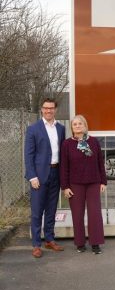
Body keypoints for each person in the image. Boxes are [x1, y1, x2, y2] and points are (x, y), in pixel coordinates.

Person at [24, 98, 66, 258]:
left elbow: (63, 152)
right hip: (39, 176)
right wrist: (32, 176)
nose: (48, 111)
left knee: (51, 209)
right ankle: (36, 244)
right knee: (37, 211)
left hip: (56, 173)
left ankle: (49, 239)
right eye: (46, 108)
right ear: (42, 109)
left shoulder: (61, 129)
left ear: (55, 110)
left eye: (51, 108)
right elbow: (29, 155)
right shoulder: (33, 129)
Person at [60, 115, 107, 254]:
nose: (77, 126)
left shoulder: (93, 142)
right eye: (75, 124)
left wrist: (103, 181)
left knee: (94, 214)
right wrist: (65, 187)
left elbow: (100, 162)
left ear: (85, 125)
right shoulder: (67, 144)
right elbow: (64, 167)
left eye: (80, 123)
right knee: (77, 214)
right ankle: (80, 243)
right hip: (75, 184)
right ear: (72, 127)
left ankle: (95, 243)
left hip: (93, 183)